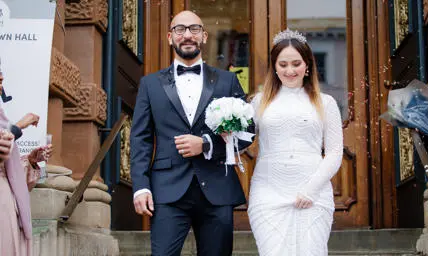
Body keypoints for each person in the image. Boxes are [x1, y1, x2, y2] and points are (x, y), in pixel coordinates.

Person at [130, 10, 254, 256]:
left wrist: (207, 144)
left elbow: (248, 130)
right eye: (180, 29)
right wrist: (141, 186)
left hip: (217, 188)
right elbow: (141, 138)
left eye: (194, 29)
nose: (187, 35)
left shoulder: (227, 81)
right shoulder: (150, 84)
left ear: (204, 36)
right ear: (169, 37)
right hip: (167, 190)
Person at [248, 29, 344, 255]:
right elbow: (243, 141)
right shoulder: (259, 102)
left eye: (295, 63)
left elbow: (334, 152)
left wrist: (310, 190)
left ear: (307, 65)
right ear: (274, 67)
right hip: (268, 192)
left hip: (313, 193)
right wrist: (227, 134)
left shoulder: (326, 102)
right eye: (282, 65)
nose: (289, 70)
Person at [0, 69, 53, 255]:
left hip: (6, 203)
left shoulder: (1, 117)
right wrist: (20, 125)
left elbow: (9, 174)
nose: (1, 79)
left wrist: (31, 161)